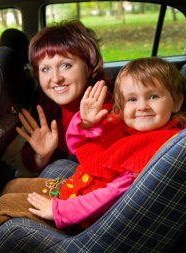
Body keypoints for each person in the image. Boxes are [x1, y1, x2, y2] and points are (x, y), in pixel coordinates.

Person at [0, 57, 186, 253]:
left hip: (86, 216)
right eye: (132, 99)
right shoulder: (129, 129)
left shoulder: (155, 147)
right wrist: (87, 124)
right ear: (122, 105)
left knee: (5, 206)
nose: (142, 105)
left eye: (153, 96)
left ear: (176, 102)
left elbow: (111, 196)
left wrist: (59, 210)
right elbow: (78, 148)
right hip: (79, 189)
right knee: (14, 185)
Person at [13, 20, 112, 177]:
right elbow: (31, 161)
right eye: (45, 69)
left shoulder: (108, 107)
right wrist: (43, 155)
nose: (56, 78)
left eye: (66, 65)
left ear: (89, 66)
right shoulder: (44, 104)